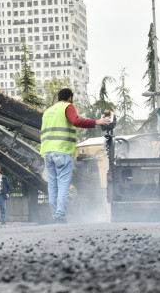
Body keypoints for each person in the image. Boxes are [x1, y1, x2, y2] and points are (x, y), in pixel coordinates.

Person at [41, 88, 110, 224]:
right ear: (70, 98)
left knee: (52, 186)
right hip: (62, 151)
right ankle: (60, 216)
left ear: (58, 98)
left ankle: (55, 216)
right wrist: (96, 122)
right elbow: (76, 121)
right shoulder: (68, 107)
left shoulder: (47, 112)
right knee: (62, 185)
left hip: (47, 152)